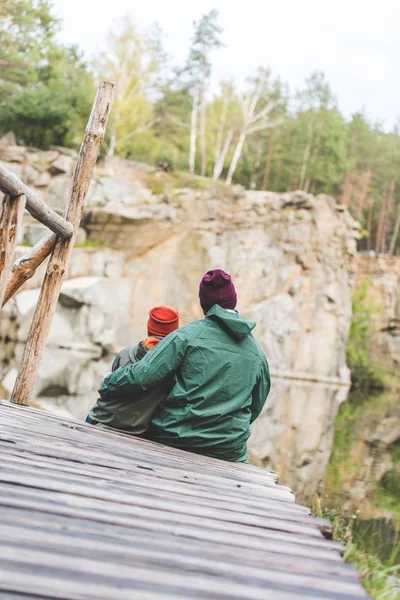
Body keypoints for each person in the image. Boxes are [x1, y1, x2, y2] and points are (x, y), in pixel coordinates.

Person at [98, 270, 270, 462]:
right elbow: (256, 405)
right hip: (228, 450)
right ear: (234, 301)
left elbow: (142, 377)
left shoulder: (185, 336)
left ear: (204, 304)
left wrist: (108, 382)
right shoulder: (257, 353)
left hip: (176, 439)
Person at [86, 305, 179, 435]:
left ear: (149, 328)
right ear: (174, 333)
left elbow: (108, 389)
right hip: (135, 432)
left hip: (98, 419)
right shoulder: (175, 365)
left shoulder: (124, 354)